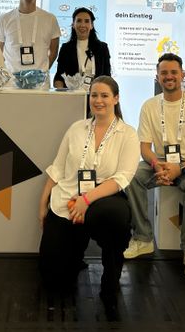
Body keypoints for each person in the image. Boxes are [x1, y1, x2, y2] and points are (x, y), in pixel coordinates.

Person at [38, 76, 140, 310]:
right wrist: (43, 203)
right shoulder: (77, 128)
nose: (98, 100)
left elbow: (121, 178)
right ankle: (75, 252)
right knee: (52, 277)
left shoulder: (128, 134)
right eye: (94, 95)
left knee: (114, 216)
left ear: (116, 99)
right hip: (67, 200)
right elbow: (58, 168)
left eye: (105, 95)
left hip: (103, 199)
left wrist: (85, 200)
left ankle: (111, 274)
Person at [123, 53, 185, 278]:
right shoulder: (149, 106)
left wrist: (180, 168)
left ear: (182, 75)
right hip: (160, 163)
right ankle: (143, 238)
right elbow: (144, 147)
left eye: (174, 72)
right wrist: (157, 165)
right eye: (164, 73)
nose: (169, 76)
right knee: (131, 175)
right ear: (157, 77)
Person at [0, 0, 61, 79]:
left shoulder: (50, 19)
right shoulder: (4, 19)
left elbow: (54, 52)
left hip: (40, 83)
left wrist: (42, 73)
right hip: (11, 83)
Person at [53, 7, 111, 90]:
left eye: (87, 21)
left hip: (96, 94)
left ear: (91, 25)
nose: (83, 25)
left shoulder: (102, 48)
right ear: (73, 24)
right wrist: (61, 92)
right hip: (73, 94)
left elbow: (107, 77)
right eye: (79, 21)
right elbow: (59, 77)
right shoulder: (66, 48)